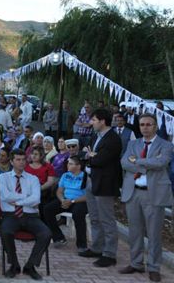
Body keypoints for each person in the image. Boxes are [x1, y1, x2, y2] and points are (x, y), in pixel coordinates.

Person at [119, 113, 173, 282]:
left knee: (154, 233)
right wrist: (147, 163)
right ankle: (136, 263)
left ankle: (154, 267)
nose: (145, 127)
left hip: (154, 194)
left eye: (149, 124)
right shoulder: (133, 143)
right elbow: (124, 163)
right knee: (134, 231)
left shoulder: (166, 145)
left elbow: (162, 163)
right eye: (142, 124)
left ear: (155, 126)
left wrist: (138, 161)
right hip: (133, 192)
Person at [0, 149, 52, 281]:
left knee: (46, 233)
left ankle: (30, 266)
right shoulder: (3, 177)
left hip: (31, 215)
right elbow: (5, 196)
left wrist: (17, 201)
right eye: (18, 159)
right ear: (11, 161)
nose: (21, 162)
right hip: (10, 215)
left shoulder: (33, 179)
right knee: (5, 231)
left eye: (23, 159)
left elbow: (36, 199)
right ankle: (14, 265)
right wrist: (27, 198)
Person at [79, 108, 122, 267]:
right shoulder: (95, 136)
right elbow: (83, 155)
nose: (91, 123)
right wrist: (89, 156)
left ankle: (110, 254)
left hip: (104, 183)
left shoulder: (113, 139)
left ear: (103, 121)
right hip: (91, 180)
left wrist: (90, 156)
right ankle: (97, 248)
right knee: (95, 218)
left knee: (107, 219)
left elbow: (100, 160)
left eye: (94, 120)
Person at [43, 156, 88, 253]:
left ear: (78, 166)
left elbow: (88, 196)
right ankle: (59, 237)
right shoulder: (65, 175)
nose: (67, 165)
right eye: (68, 163)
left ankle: (82, 245)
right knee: (47, 209)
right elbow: (59, 191)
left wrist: (72, 201)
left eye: (71, 163)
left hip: (79, 201)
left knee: (78, 214)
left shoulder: (85, 177)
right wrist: (63, 200)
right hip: (65, 200)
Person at [25, 147, 57, 220]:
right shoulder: (25, 166)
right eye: (32, 154)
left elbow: (51, 181)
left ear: (41, 155)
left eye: (36, 154)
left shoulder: (48, 166)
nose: (33, 156)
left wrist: (39, 188)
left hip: (43, 190)